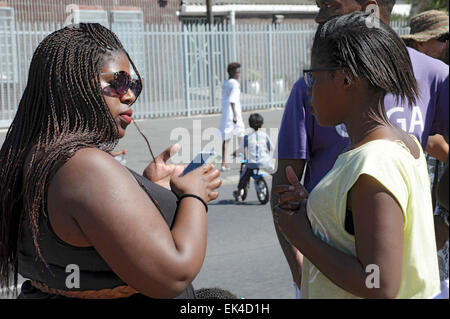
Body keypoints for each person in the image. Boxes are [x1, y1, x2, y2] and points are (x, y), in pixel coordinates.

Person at [0, 23, 222, 299]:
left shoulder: (31, 156)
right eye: (118, 83)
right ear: (73, 84)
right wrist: (195, 194)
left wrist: (147, 188)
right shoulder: (84, 167)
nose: (129, 95)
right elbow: (173, 275)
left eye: (133, 85)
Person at [271, 0, 449, 299]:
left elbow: (378, 283)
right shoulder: (404, 146)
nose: (307, 88)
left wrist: (299, 234)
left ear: (345, 79)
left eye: (313, 75)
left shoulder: (372, 164)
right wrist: (313, 212)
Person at [402, 9, 449, 288]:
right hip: (426, 203)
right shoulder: (415, 79)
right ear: (421, 43)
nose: (448, 45)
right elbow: (428, 140)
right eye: (444, 38)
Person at [232, 113, 274, 202]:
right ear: (262, 124)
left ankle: (239, 194)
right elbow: (271, 148)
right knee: (275, 174)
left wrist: (234, 153)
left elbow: (241, 149)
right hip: (265, 162)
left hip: (252, 163)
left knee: (243, 177)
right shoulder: (265, 135)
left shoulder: (247, 137)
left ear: (250, 125)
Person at [219, 62, 245, 171]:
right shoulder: (234, 84)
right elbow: (232, 99)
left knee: (227, 138)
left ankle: (224, 163)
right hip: (233, 113)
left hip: (226, 112)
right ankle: (244, 159)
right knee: (241, 135)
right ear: (231, 72)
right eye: (237, 72)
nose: (239, 74)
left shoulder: (226, 83)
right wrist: (235, 115)